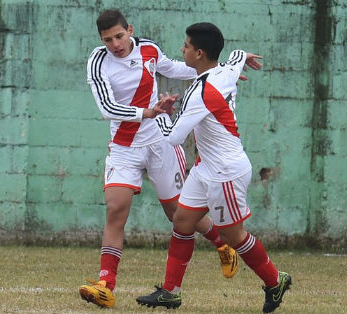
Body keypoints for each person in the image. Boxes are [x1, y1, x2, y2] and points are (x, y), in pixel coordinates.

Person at [79, 10, 239, 309]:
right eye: (107, 39)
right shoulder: (98, 61)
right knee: (115, 210)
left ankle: (222, 243)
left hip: (159, 142)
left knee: (178, 214)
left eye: (119, 36)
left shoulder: (149, 49)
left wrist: (222, 72)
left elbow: (179, 68)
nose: (115, 44)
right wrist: (147, 111)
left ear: (129, 30)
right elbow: (107, 107)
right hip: (124, 147)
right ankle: (105, 285)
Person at [135, 22, 292, 313]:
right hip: (206, 167)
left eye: (185, 46)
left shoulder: (200, 94)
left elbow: (174, 138)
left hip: (226, 172)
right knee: (182, 221)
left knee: (233, 236)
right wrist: (245, 55)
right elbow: (235, 57)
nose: (182, 49)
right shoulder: (224, 70)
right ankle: (171, 292)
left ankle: (275, 280)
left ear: (199, 53)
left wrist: (159, 113)